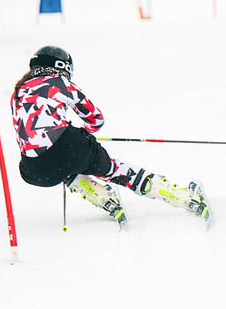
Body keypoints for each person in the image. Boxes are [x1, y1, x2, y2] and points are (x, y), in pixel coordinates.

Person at [11, 46, 211, 228]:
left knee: (65, 167)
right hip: (70, 147)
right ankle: (185, 198)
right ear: (63, 66)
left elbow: (30, 133)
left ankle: (103, 197)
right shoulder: (58, 82)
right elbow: (95, 119)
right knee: (114, 170)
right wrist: (83, 132)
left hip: (34, 171)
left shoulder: (18, 92)